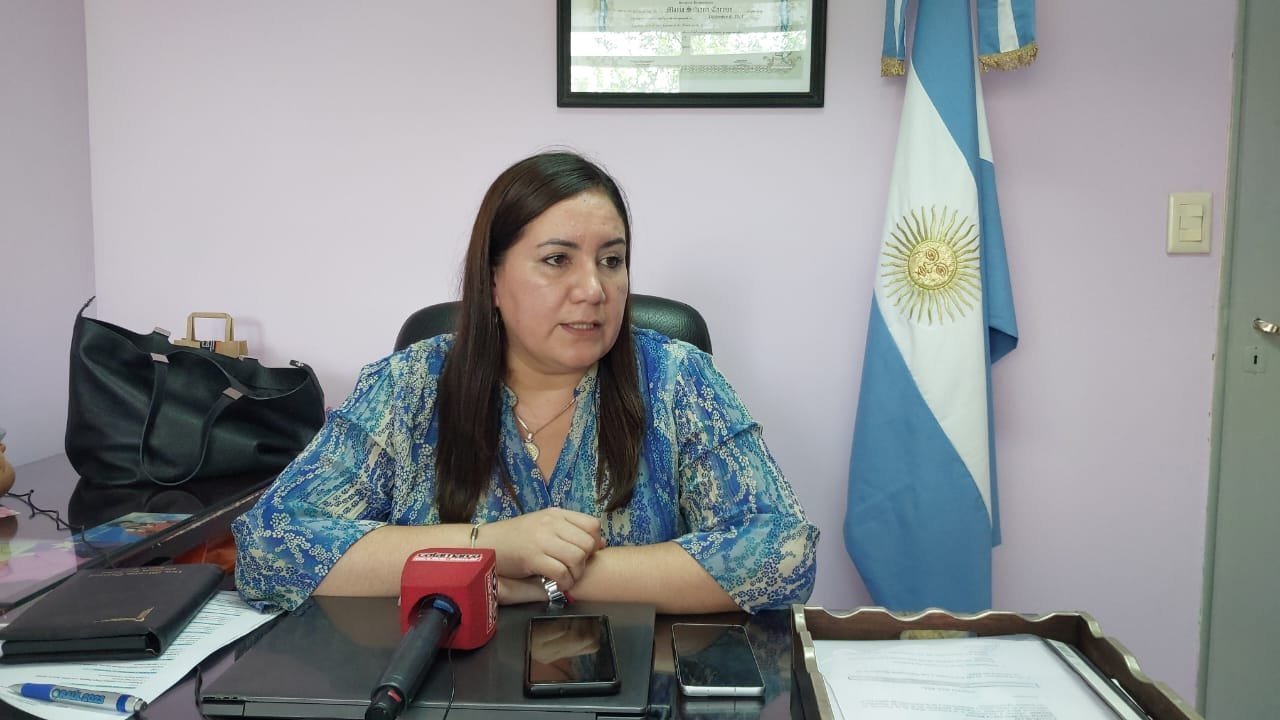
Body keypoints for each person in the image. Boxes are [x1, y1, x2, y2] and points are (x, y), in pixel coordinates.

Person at [232, 151, 818, 614]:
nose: (594, 289)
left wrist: (553, 580)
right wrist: (488, 548)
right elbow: (269, 545)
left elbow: (782, 551)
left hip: (634, 689)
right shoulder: (412, 385)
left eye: (611, 260)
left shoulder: (676, 380)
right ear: (493, 278)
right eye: (557, 260)